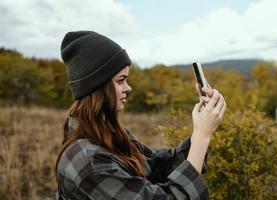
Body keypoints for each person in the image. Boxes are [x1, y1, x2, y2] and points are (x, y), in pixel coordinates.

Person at [55, 30, 226, 200]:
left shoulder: (108, 131)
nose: (128, 88)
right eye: (121, 80)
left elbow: (157, 166)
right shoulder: (88, 161)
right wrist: (202, 136)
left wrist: (200, 132)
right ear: (97, 86)